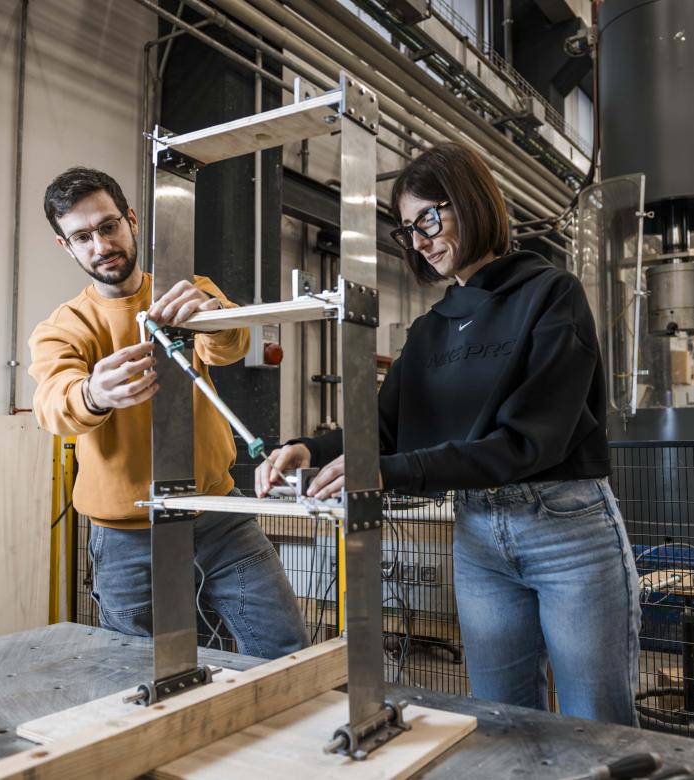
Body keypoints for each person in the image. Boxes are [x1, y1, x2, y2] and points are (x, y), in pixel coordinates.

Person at [257, 143, 641, 723]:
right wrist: (307, 448)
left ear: (471, 201)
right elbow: (383, 431)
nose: (420, 241)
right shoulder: (431, 330)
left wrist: (390, 472)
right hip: (479, 535)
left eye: (430, 219)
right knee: (498, 719)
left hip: (565, 530)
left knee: (596, 723)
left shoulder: (551, 295)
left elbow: (529, 442)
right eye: (408, 229)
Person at [30, 166, 307, 659]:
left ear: (132, 220)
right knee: (137, 670)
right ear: (65, 246)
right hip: (126, 536)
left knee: (285, 649)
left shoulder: (186, 291)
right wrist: (93, 393)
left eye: (109, 226)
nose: (101, 245)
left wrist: (210, 314)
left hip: (218, 516)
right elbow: (52, 405)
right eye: (83, 237)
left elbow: (231, 345)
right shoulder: (64, 328)